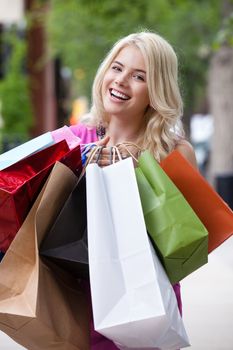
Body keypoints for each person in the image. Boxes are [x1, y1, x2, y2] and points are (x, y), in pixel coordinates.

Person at [70, 30, 197, 349]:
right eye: (117, 68)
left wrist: (139, 173)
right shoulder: (72, 142)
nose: (121, 81)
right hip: (73, 306)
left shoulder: (174, 154)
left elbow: (187, 251)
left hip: (142, 311)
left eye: (139, 76)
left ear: (156, 91)